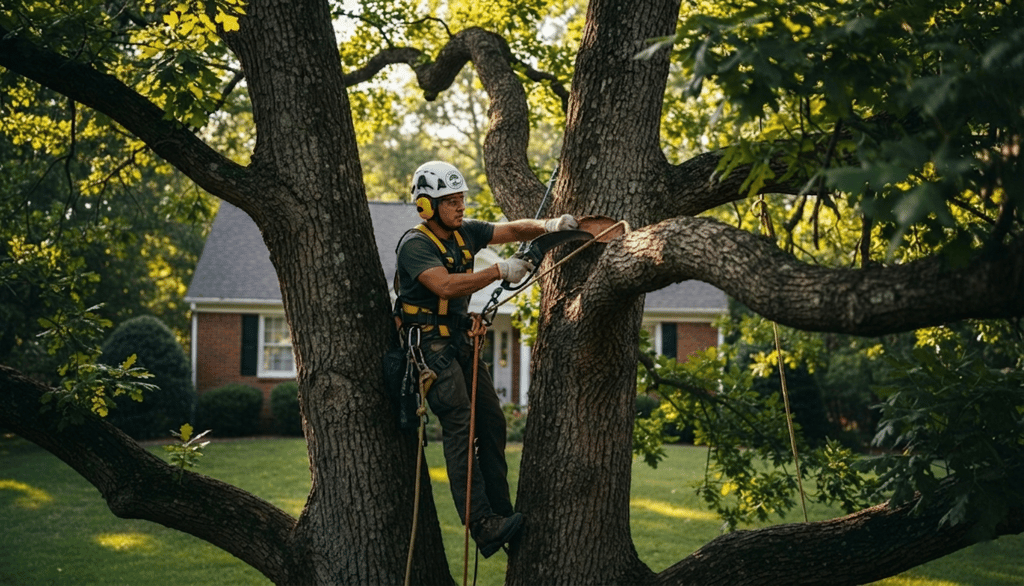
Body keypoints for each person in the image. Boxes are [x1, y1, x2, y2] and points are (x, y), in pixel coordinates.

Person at [394, 160, 577, 557]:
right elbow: (442, 285)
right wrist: (498, 270)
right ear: (427, 206)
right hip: (428, 350)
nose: (460, 207)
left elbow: (510, 230)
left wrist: (549, 227)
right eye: (452, 201)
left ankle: (502, 515)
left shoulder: (466, 232)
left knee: (491, 423)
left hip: (458, 343)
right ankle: (482, 524)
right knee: (461, 425)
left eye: (462, 199)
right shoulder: (416, 244)